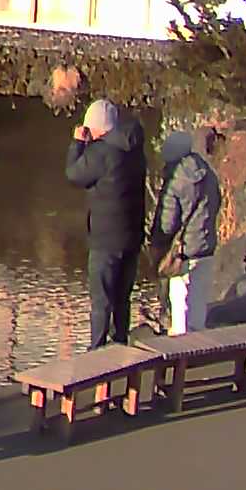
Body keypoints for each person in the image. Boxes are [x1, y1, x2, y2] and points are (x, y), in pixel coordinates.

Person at [67, 98, 151, 347]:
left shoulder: (101, 153)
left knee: (101, 301)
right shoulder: (135, 150)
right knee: (122, 298)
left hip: (105, 239)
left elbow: (73, 175)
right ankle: (120, 345)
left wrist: (77, 143)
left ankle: (97, 353)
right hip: (131, 236)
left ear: (98, 127)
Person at [152, 125, 225, 337]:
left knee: (180, 304)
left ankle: (184, 359)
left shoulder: (175, 181)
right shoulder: (208, 172)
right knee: (197, 305)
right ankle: (199, 346)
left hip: (183, 250)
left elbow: (167, 222)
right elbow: (217, 202)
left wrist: (158, 242)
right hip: (206, 245)